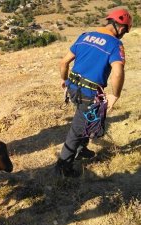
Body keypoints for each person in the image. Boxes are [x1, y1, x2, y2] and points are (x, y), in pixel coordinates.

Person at [55, 9, 133, 177]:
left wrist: (64, 79)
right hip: (89, 93)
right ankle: (62, 167)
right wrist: (115, 94)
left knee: (87, 119)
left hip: (73, 87)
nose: (124, 34)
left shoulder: (85, 36)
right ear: (120, 27)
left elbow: (63, 62)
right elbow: (118, 72)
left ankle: (81, 149)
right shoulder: (115, 45)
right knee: (77, 129)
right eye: (125, 31)